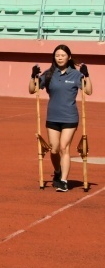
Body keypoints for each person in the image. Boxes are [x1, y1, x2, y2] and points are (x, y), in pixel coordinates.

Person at [29, 45, 93, 192]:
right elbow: (32, 90)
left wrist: (87, 75)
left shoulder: (75, 75)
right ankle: (57, 171)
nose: (59, 57)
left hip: (70, 117)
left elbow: (88, 91)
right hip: (53, 116)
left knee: (64, 147)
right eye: (57, 55)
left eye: (63, 55)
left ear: (69, 57)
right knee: (54, 149)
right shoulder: (49, 73)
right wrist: (33, 76)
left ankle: (64, 180)